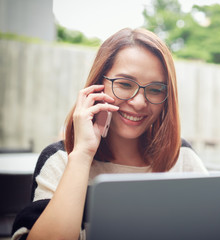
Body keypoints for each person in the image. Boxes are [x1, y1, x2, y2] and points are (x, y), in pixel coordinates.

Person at [12, 28, 207, 240]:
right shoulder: (61, 159)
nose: (139, 102)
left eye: (156, 89)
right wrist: (83, 154)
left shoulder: (182, 157)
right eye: (124, 84)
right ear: (98, 85)